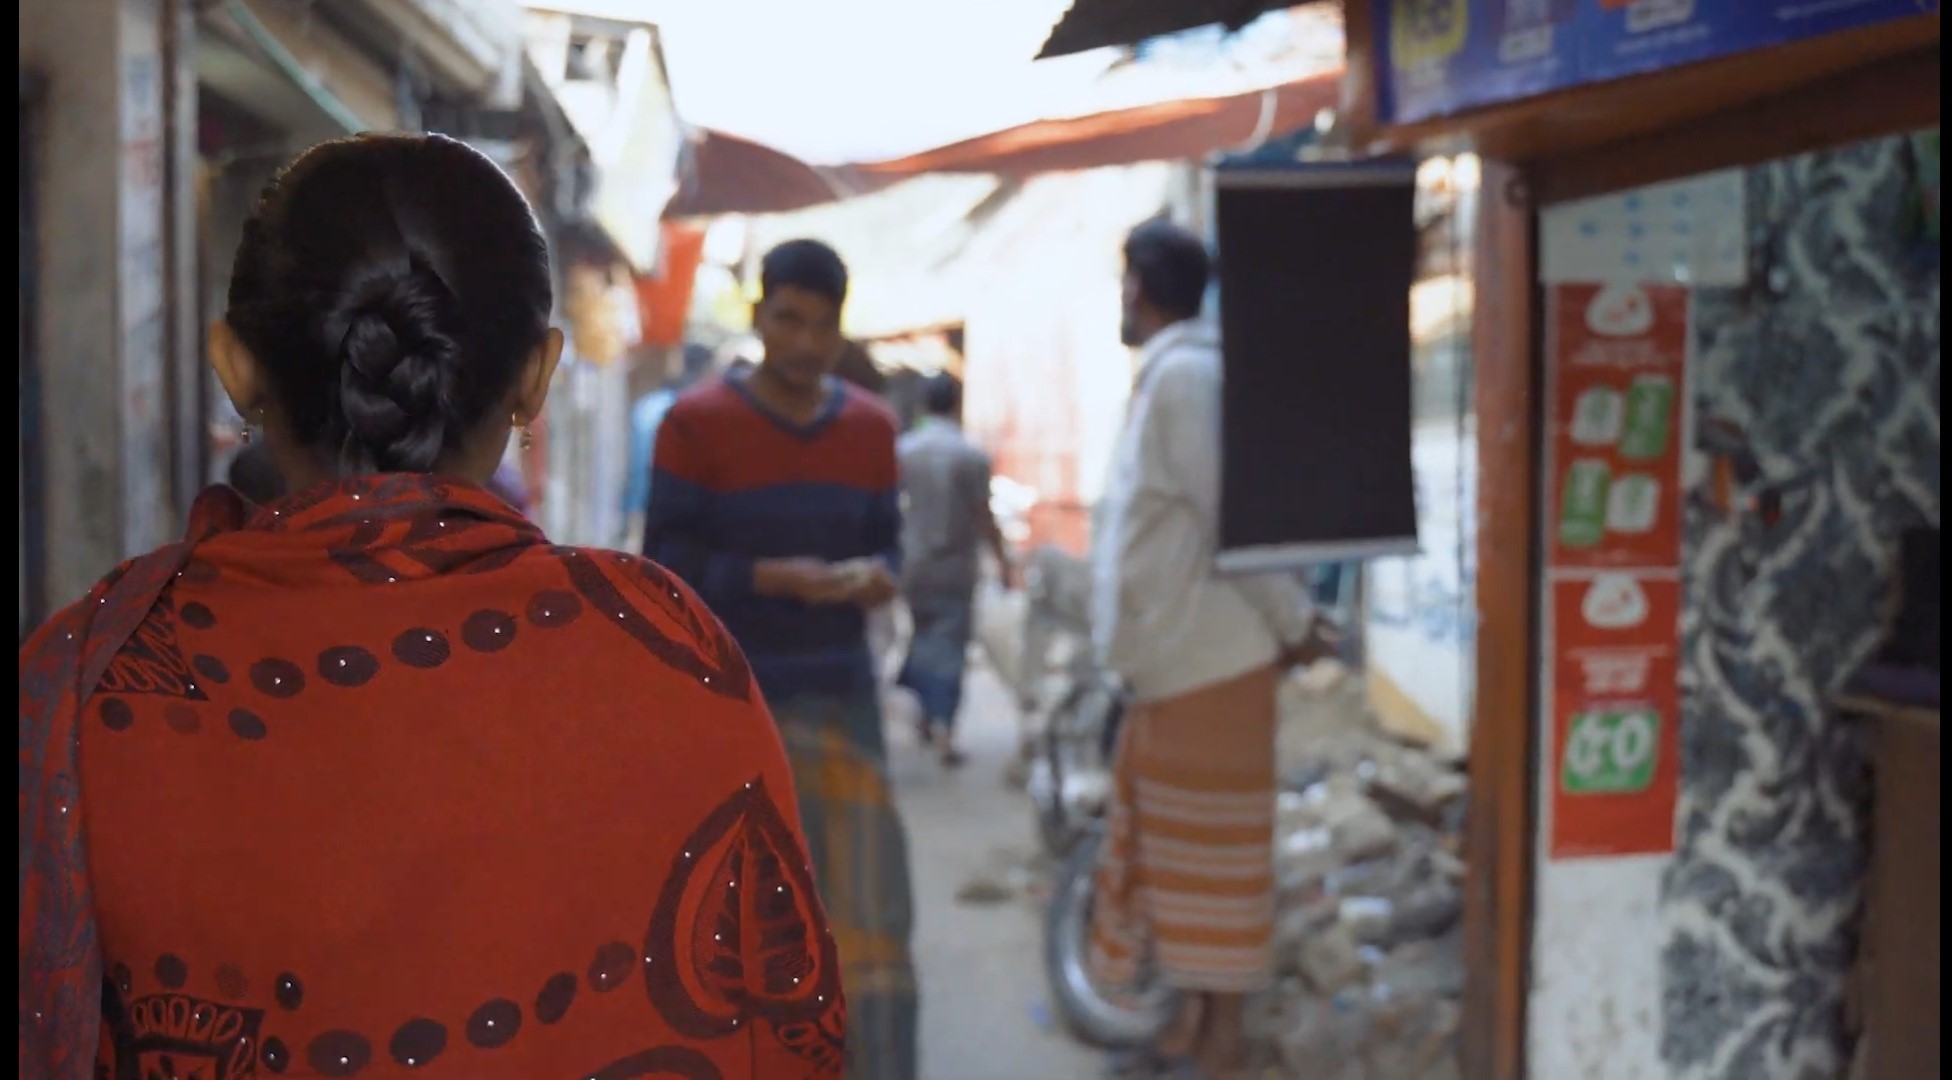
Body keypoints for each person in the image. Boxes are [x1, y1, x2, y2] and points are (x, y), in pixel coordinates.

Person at [18, 134, 843, 1080]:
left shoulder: (84, 682)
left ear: (234, 365)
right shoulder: (663, 647)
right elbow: (782, 1032)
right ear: (537, 377)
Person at [644, 239, 918, 1079]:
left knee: (870, 920)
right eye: (789, 320)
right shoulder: (694, 425)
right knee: (736, 933)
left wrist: (875, 582)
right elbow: (663, 573)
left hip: (843, 702)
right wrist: (765, 577)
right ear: (760, 316)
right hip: (732, 712)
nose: (805, 342)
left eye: (822, 326)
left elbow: (889, 551)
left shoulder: (872, 430)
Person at [1086, 220, 1333, 1076]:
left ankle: (1220, 1043)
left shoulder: (1188, 377)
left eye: (1123, 281)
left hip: (1213, 661)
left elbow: (1237, 523)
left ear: (1137, 288)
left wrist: (1297, 627)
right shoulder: (1176, 376)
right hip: (1183, 666)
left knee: (1215, 862)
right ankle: (1194, 1026)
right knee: (1180, 855)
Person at [894, 373, 1013, 768]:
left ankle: (927, 713)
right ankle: (943, 725)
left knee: (925, 636)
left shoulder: (905, 450)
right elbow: (984, 516)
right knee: (949, 646)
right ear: (956, 404)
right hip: (955, 567)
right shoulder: (970, 456)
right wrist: (1003, 562)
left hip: (912, 562)